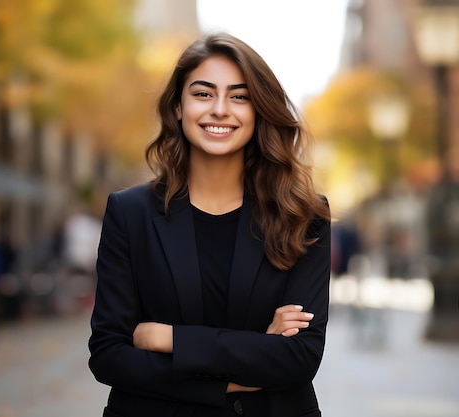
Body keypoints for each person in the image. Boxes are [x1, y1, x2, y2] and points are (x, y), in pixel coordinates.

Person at [88, 33, 331, 417]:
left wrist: (166, 338)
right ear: (178, 107)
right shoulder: (129, 213)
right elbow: (109, 355)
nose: (220, 109)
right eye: (203, 94)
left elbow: (299, 358)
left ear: (259, 111)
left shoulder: (302, 215)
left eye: (239, 96)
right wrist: (244, 367)